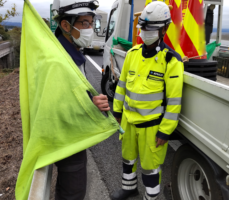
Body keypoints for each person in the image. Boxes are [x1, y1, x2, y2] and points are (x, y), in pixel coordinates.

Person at [111, 1, 184, 200]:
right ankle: (129, 188)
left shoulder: (171, 61)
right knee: (127, 158)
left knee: (151, 167)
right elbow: (122, 86)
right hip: (128, 122)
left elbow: (174, 101)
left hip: (152, 127)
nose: (145, 32)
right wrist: (116, 112)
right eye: (143, 27)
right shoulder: (132, 55)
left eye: (151, 28)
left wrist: (165, 131)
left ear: (165, 29)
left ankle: (150, 198)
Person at [51, 0, 110, 199]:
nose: (90, 29)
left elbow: (74, 91)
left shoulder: (72, 51)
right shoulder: (58, 60)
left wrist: (91, 99)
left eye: (92, 24)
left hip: (74, 135)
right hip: (68, 139)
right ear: (66, 26)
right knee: (73, 193)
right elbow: (54, 104)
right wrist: (89, 104)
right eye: (85, 23)